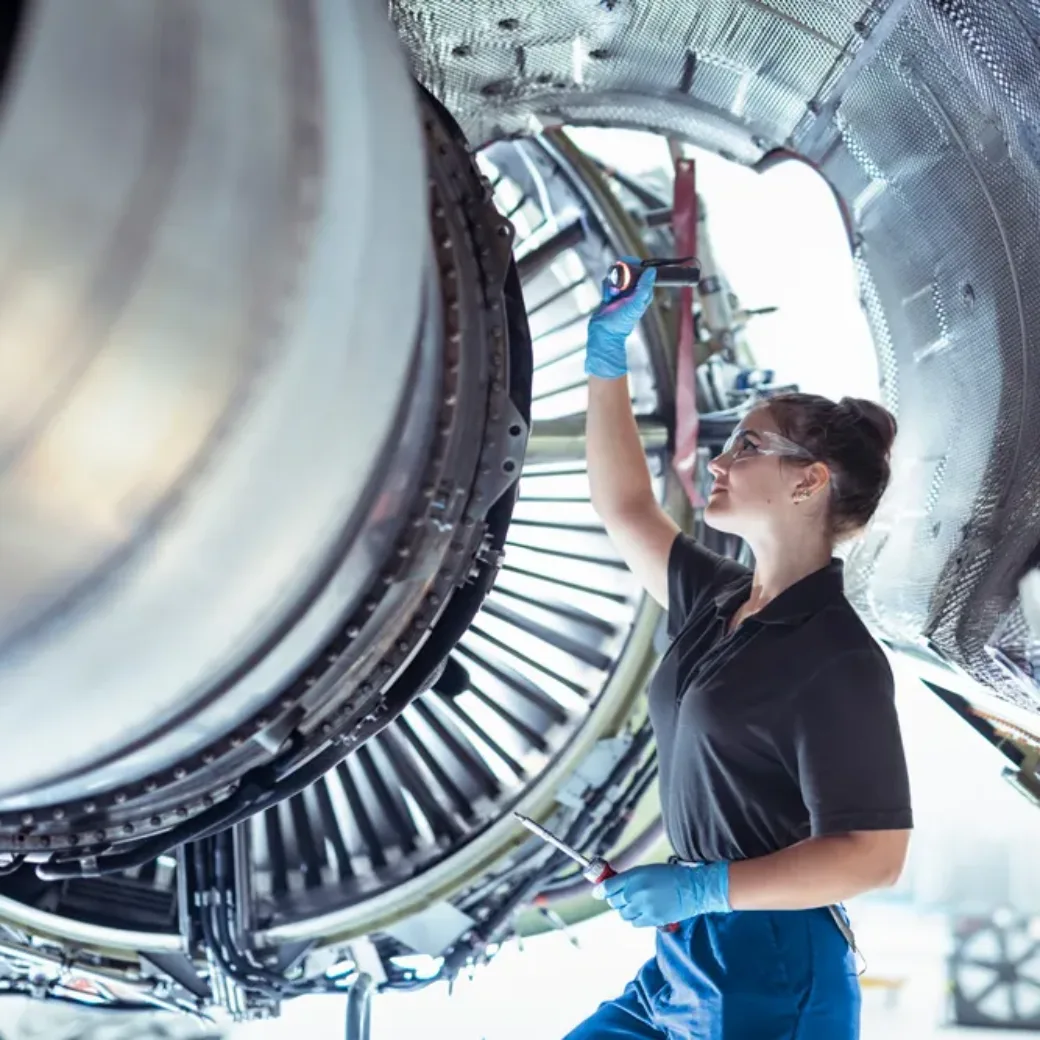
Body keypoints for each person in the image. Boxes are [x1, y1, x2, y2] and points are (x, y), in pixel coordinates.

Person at [565, 262, 913, 1040]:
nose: (718, 462)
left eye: (747, 445)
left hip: (774, 966)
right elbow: (624, 506)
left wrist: (702, 890)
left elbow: (874, 857)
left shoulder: (837, 655)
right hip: (689, 956)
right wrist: (606, 359)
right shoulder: (715, 600)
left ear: (808, 482)